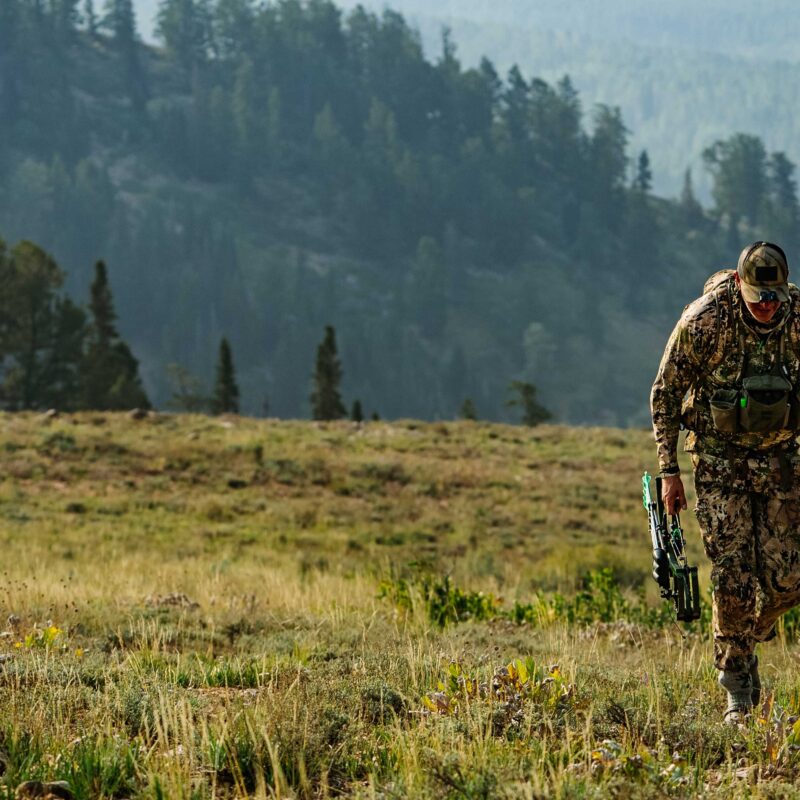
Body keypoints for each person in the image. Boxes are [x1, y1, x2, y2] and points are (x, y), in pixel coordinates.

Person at [651, 241, 800, 723]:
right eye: (757, 296)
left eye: (773, 297)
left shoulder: (797, 319)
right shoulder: (705, 321)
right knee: (733, 574)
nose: (766, 306)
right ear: (739, 285)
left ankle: (747, 634)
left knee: (789, 576)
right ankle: (737, 681)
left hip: (779, 461)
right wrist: (669, 470)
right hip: (719, 464)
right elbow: (666, 391)